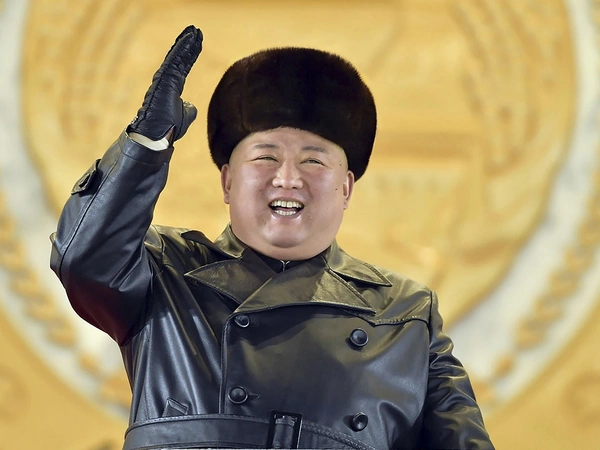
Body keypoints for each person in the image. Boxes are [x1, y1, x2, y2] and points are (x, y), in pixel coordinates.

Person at [50, 25, 494, 450]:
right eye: (265, 157)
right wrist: (145, 146)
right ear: (227, 181)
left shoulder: (405, 313)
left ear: (346, 188)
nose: (287, 179)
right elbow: (83, 257)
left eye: (313, 161)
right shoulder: (165, 272)